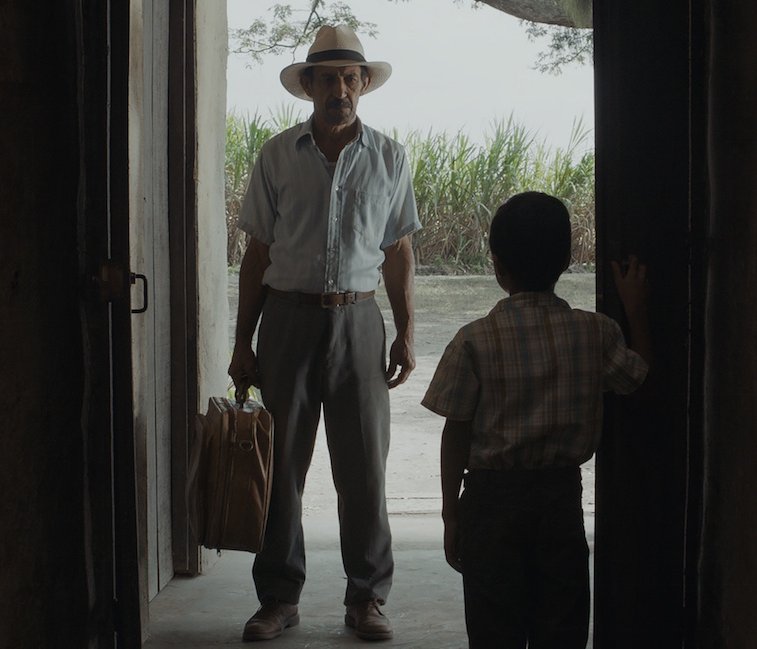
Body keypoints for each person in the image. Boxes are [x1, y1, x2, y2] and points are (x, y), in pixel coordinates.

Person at [228, 24, 420, 643]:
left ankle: (366, 597)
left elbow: (399, 253)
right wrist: (242, 342)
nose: (339, 88)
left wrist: (406, 332)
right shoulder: (276, 155)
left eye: (349, 77)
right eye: (327, 77)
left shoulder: (389, 157)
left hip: (360, 322)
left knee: (364, 465)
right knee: (279, 463)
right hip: (286, 319)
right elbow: (256, 256)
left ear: (363, 84)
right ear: (308, 86)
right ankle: (279, 597)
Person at [421, 192, 652, 648]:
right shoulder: (596, 333)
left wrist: (452, 513)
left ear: (496, 266)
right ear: (567, 260)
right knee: (561, 627)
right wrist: (637, 310)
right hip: (559, 502)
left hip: (490, 506)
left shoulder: (473, 341)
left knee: (493, 630)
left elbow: (456, 434)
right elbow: (638, 378)